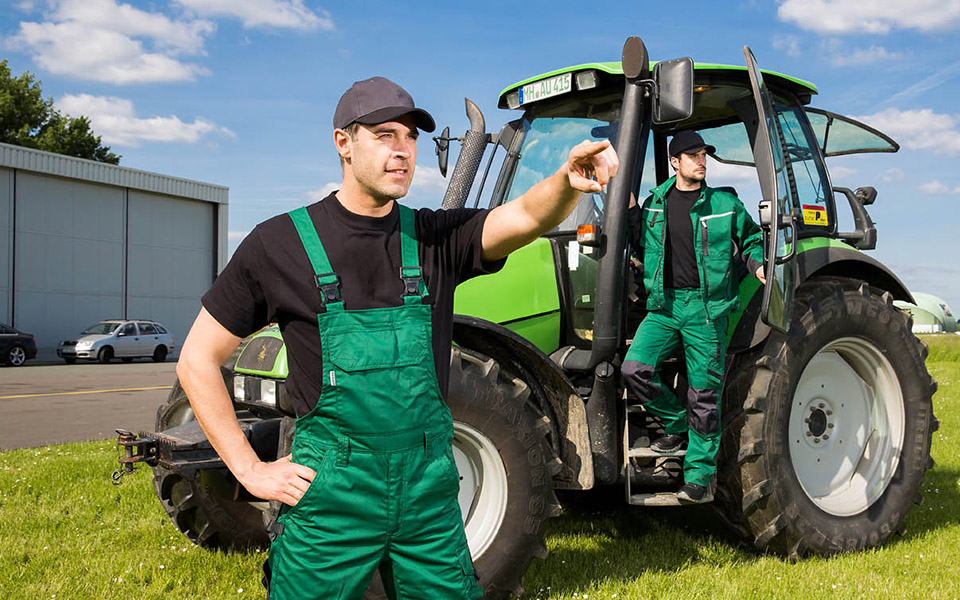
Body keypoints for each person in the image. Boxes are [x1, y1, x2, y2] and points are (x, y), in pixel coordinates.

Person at [176, 76, 619, 600]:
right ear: (344, 143)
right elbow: (198, 359)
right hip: (332, 497)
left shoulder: (433, 237)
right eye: (385, 135)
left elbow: (522, 216)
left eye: (410, 138)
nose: (402, 150)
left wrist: (567, 180)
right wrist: (250, 470)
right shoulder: (279, 244)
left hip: (429, 494)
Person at [622, 130, 764, 504]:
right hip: (664, 307)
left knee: (703, 394)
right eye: (693, 155)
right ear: (675, 162)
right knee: (634, 369)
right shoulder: (655, 204)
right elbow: (637, 238)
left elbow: (751, 239)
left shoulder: (723, 204)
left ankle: (698, 476)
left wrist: (756, 262)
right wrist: (625, 199)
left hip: (706, 309)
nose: (701, 161)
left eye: (704, 155)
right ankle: (675, 423)